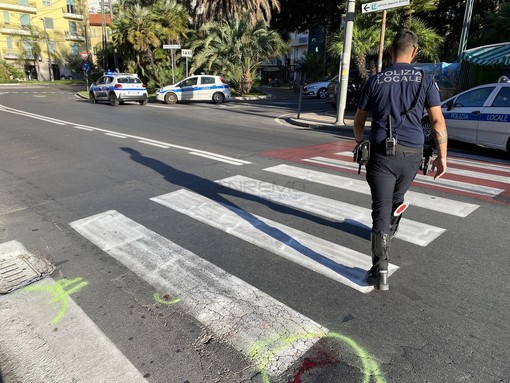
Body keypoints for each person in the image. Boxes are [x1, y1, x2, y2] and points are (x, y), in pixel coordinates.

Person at [352, 29, 448, 291]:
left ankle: (380, 270)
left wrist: (360, 141)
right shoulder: (425, 80)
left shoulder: (376, 81)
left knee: (379, 210)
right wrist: (442, 157)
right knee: (396, 196)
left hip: (381, 154)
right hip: (413, 154)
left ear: (391, 52)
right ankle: (394, 218)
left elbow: (360, 119)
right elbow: (437, 121)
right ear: (414, 51)